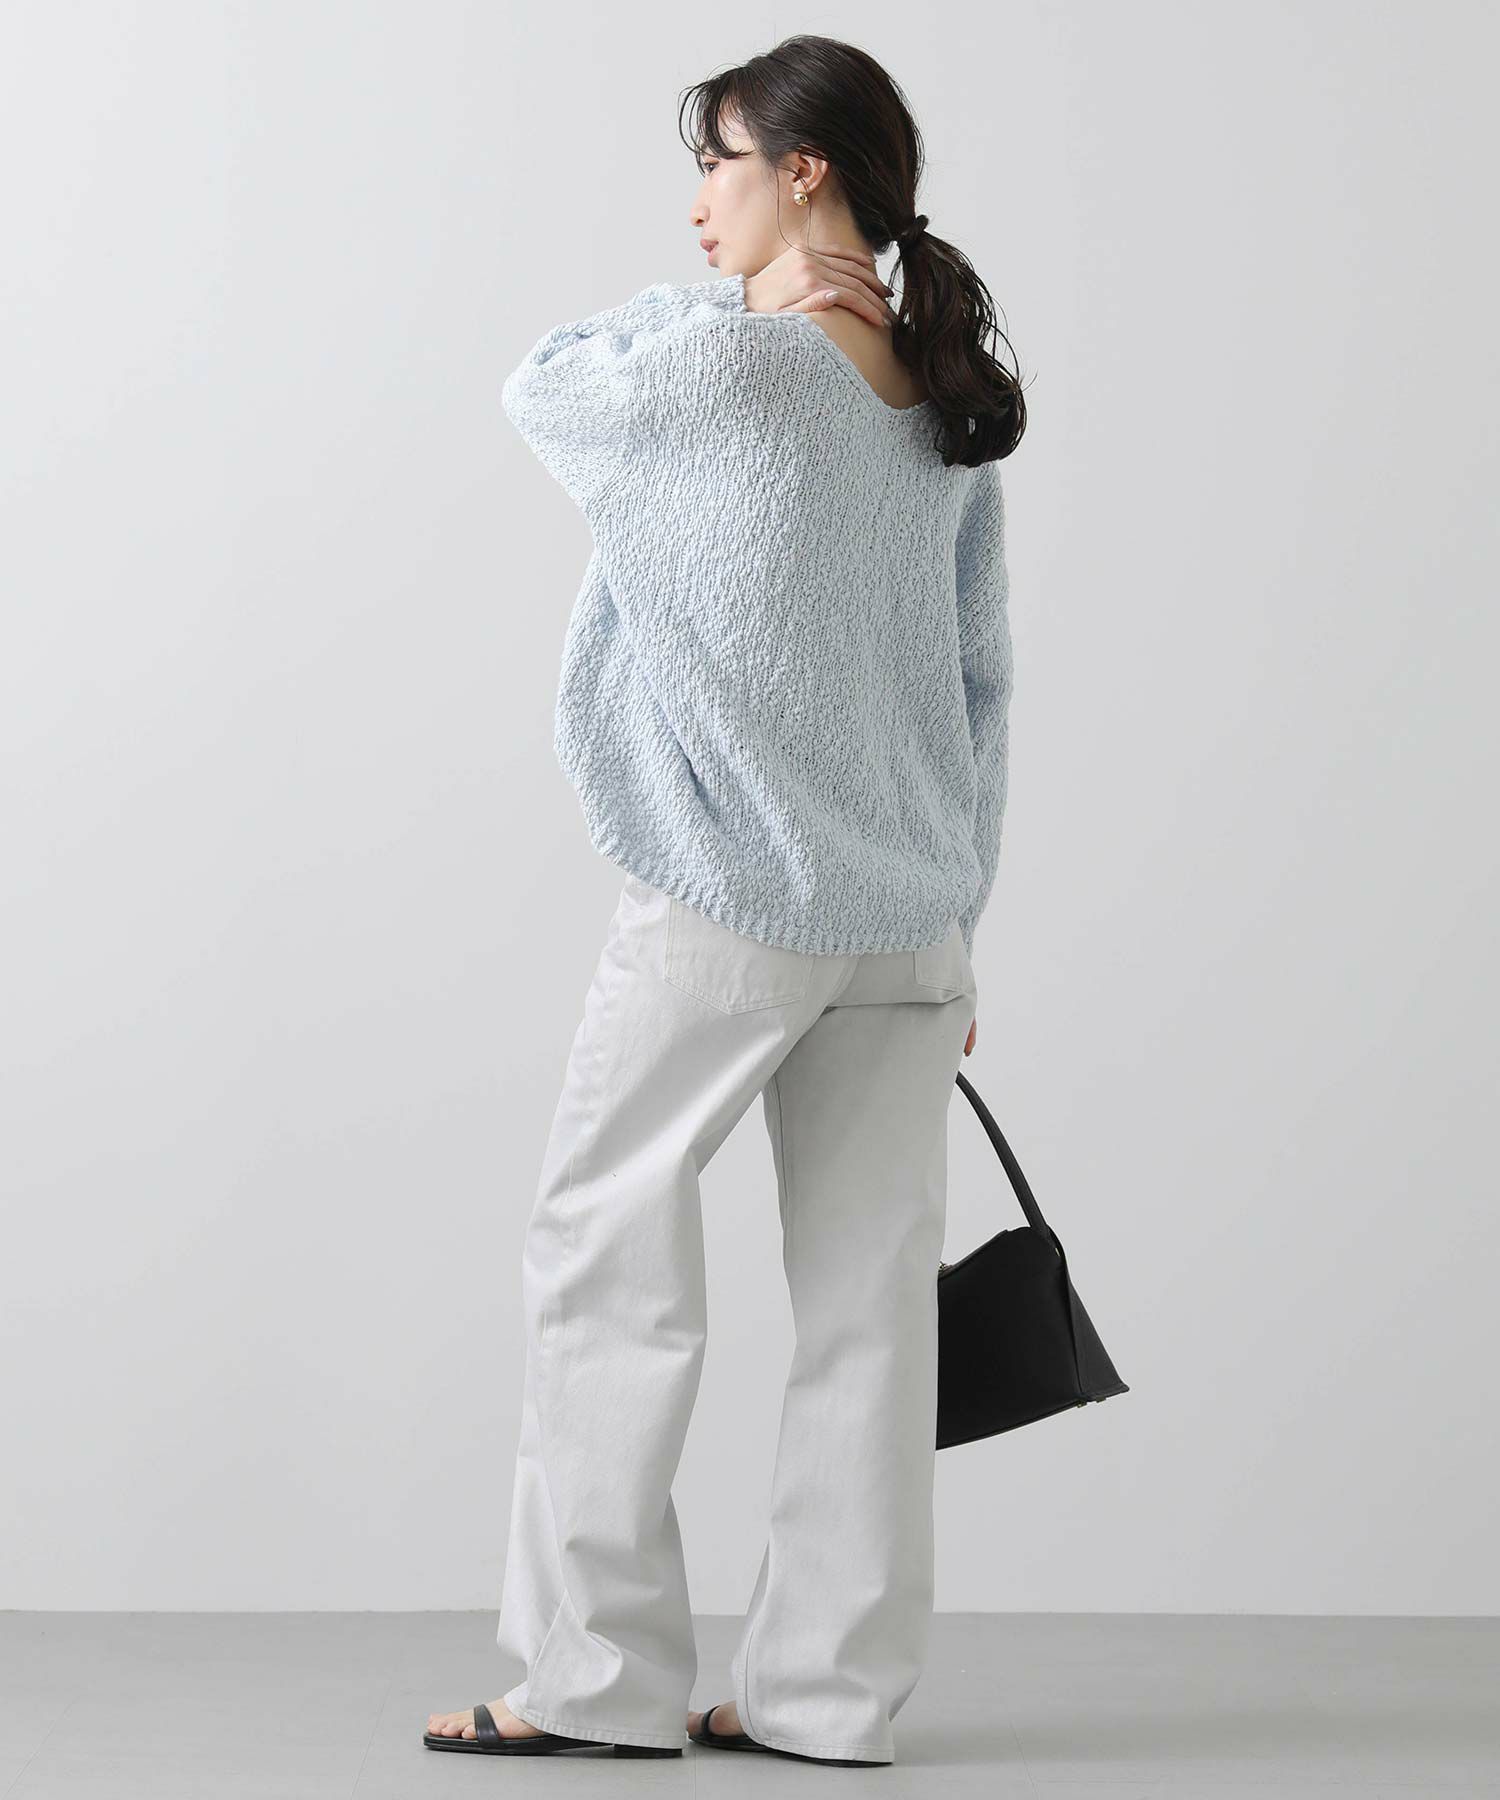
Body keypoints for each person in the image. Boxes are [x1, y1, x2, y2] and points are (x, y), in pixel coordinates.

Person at [425, 30, 1026, 1767]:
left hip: (734, 899)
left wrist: (735, 304)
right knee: (869, 1309)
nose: (700, 204)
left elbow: (544, 385)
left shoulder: (725, 375)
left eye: (720, 164)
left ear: (803, 171)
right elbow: (980, 689)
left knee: (603, 1247)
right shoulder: (942, 408)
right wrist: (963, 916)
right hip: (909, 919)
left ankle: (598, 1680)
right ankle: (823, 1697)